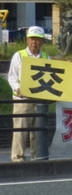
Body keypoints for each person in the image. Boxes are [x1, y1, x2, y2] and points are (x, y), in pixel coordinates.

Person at [7, 26, 49, 162]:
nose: (34, 42)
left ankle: (37, 157)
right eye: (32, 39)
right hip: (22, 99)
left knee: (37, 132)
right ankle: (18, 158)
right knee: (20, 131)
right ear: (27, 40)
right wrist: (17, 88)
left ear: (42, 42)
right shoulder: (19, 55)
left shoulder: (46, 57)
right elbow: (12, 77)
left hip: (39, 100)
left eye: (37, 39)